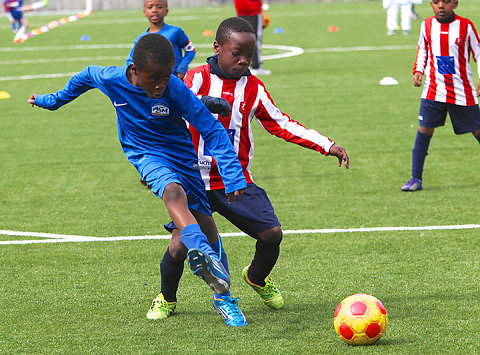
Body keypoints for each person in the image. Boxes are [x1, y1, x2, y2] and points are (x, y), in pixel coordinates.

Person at [27, 34, 249, 325]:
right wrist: (51, 101)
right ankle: (200, 253)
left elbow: (211, 129)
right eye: (153, 78)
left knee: (199, 231)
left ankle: (217, 292)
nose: (160, 85)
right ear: (134, 69)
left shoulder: (174, 88)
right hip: (145, 155)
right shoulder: (111, 79)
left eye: (165, 77)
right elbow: (84, 77)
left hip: (184, 159)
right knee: (171, 191)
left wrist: (233, 175)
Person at [153, 17, 349, 327]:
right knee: (179, 245)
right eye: (236, 53)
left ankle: (256, 277)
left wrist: (327, 145)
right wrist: (204, 103)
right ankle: (167, 298)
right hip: (192, 181)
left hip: (234, 182)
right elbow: (166, 103)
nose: (244, 60)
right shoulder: (194, 79)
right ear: (217, 48)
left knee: (272, 234)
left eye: (249, 53)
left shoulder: (254, 88)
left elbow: (281, 124)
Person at [402, 0, 480, 191]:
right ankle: (415, 179)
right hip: (433, 89)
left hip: (462, 90)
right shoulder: (426, 25)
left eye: (445, 1)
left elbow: (478, 53)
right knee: (424, 130)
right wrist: (418, 70)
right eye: (436, 2)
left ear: (455, 4)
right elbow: (423, 49)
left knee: (478, 130)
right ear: (431, 4)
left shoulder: (466, 26)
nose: (441, 6)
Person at [125, 0, 195, 81]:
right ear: (144, 12)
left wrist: (182, 68)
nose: (154, 10)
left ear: (166, 11)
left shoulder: (175, 32)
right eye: (150, 7)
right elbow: (130, 61)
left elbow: (190, 50)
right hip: (152, 84)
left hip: (174, 80)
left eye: (159, 7)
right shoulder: (140, 39)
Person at [234, 0, 271, 75]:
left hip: (241, 8)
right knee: (254, 39)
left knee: (243, 39)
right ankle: (257, 66)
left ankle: (241, 65)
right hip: (252, 10)